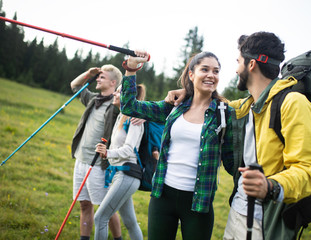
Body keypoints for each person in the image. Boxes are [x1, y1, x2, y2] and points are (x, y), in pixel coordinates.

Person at [165, 31, 311, 239]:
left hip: (266, 221)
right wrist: (189, 92)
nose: (236, 69)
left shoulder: (293, 103)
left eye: (238, 61)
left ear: (251, 65)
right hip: (238, 211)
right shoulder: (244, 107)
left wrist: (271, 186)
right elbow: (209, 104)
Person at [120, 51, 234, 240]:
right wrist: (131, 69)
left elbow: (232, 162)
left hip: (199, 202)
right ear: (191, 74)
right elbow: (129, 106)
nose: (211, 75)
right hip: (163, 196)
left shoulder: (224, 114)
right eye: (204, 69)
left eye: (216, 71)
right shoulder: (174, 106)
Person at [70, 65, 122, 240]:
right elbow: (74, 86)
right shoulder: (93, 99)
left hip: (98, 163)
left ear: (113, 82)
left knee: (105, 208)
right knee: (84, 204)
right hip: (81, 158)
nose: (98, 79)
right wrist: (88, 74)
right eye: (98, 77)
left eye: (102, 77)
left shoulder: (116, 106)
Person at [94, 84, 146, 240]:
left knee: (100, 218)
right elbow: (118, 148)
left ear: (127, 96)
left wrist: (108, 152)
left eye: (118, 91)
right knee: (130, 222)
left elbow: (129, 150)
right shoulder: (120, 116)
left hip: (127, 175)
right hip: (118, 174)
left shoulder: (135, 119)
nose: (114, 94)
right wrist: (106, 155)